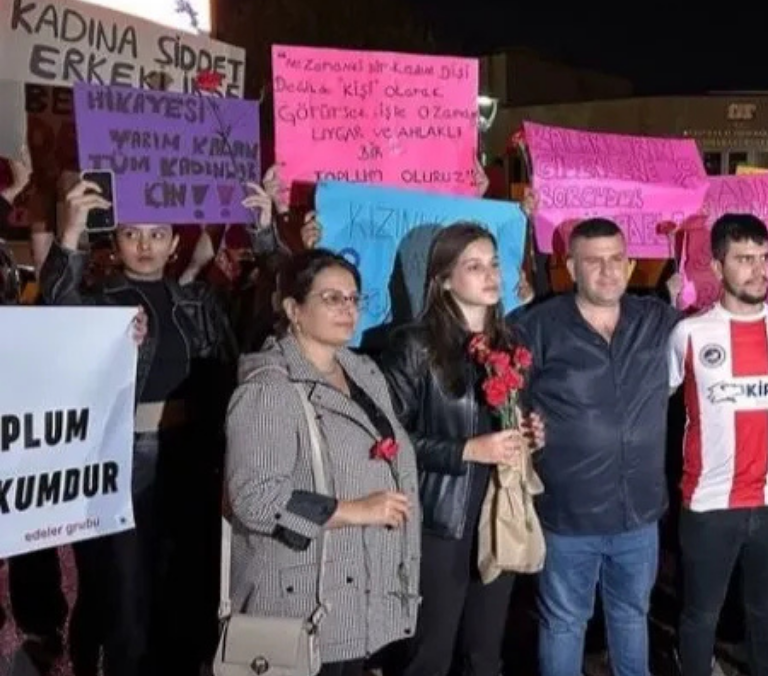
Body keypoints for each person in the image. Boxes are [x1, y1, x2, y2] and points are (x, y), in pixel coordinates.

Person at [41, 178, 274, 676]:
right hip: (124, 457)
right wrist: (70, 234)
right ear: (116, 240)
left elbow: (259, 329)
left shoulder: (198, 302)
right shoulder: (100, 300)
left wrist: (266, 234)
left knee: (186, 577)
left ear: (174, 245)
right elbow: (55, 314)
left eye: (157, 233)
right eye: (132, 233)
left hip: (191, 454)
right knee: (127, 586)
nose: (144, 245)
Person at [224, 249, 421, 676]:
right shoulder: (269, 390)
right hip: (304, 597)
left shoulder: (364, 373)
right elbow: (254, 497)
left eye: (353, 299)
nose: (347, 310)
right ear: (294, 309)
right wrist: (353, 510)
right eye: (331, 298)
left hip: (357, 590)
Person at [513, 217, 684, 676]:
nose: (608, 272)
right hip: (569, 516)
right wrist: (523, 426)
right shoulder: (536, 329)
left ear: (630, 265)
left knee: (632, 616)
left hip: (639, 513)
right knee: (565, 622)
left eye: (617, 260)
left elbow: (725, 330)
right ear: (570, 266)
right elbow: (505, 396)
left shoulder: (659, 321)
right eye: (594, 262)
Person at [379, 223, 544, 676]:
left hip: (499, 513)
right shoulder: (413, 345)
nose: (491, 274)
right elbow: (386, 443)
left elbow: (508, 427)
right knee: (429, 654)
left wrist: (528, 435)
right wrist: (467, 450)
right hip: (438, 521)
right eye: (474, 266)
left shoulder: (509, 345)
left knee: (486, 653)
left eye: (494, 263)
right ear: (444, 279)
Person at [668, 214, 768, 676]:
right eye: (744, 259)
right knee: (701, 614)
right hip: (709, 502)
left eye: (765, 258)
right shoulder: (688, 333)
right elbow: (650, 403)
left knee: (766, 612)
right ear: (717, 265)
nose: (758, 270)